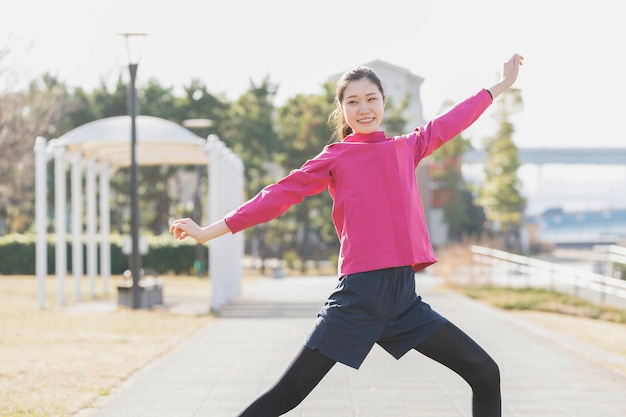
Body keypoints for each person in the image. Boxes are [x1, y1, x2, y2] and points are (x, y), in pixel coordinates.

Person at [170, 53, 524, 417]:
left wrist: (500, 86)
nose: (364, 108)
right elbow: (276, 196)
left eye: (371, 98)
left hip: (403, 301)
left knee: (484, 372)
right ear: (342, 110)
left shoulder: (407, 147)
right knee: (287, 394)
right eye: (352, 101)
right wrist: (207, 232)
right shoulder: (336, 157)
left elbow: (453, 120)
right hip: (359, 299)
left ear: (384, 101)